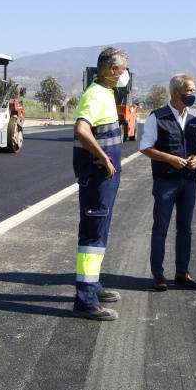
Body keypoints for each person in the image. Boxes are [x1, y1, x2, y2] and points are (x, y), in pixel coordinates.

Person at [71, 46, 130, 321]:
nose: (126, 73)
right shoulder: (95, 94)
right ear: (112, 70)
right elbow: (81, 130)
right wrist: (104, 158)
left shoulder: (106, 93)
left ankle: (93, 286)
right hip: (97, 178)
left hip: (105, 179)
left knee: (100, 231)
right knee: (92, 237)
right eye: (124, 68)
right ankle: (85, 299)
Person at [139, 74, 196, 291]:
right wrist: (170, 158)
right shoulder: (157, 117)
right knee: (161, 228)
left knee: (185, 228)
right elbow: (145, 147)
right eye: (190, 91)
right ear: (176, 92)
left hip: (189, 181)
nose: (193, 94)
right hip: (166, 181)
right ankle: (158, 274)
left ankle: (182, 272)